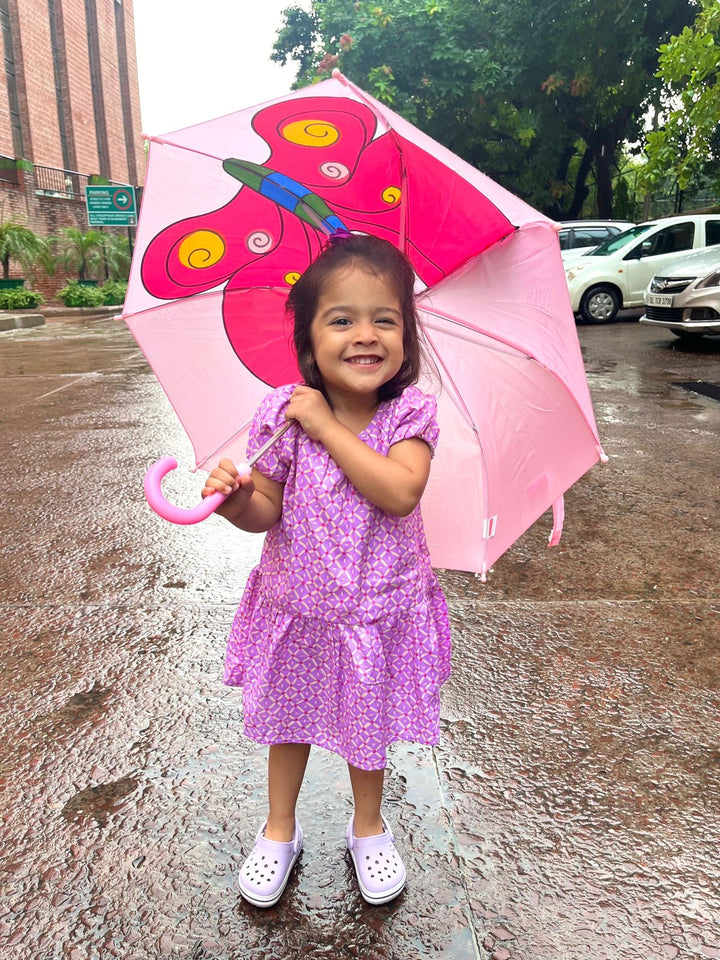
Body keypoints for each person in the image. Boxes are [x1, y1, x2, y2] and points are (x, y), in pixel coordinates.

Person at [202, 232, 451, 908]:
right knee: (287, 723)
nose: (364, 335)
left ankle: (367, 827)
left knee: (365, 728)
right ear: (309, 342)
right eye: (341, 319)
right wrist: (235, 502)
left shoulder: (409, 413)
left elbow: (399, 490)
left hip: (375, 611)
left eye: (385, 319)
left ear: (408, 337)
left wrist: (326, 426)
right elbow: (268, 509)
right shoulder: (283, 415)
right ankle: (279, 828)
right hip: (299, 605)